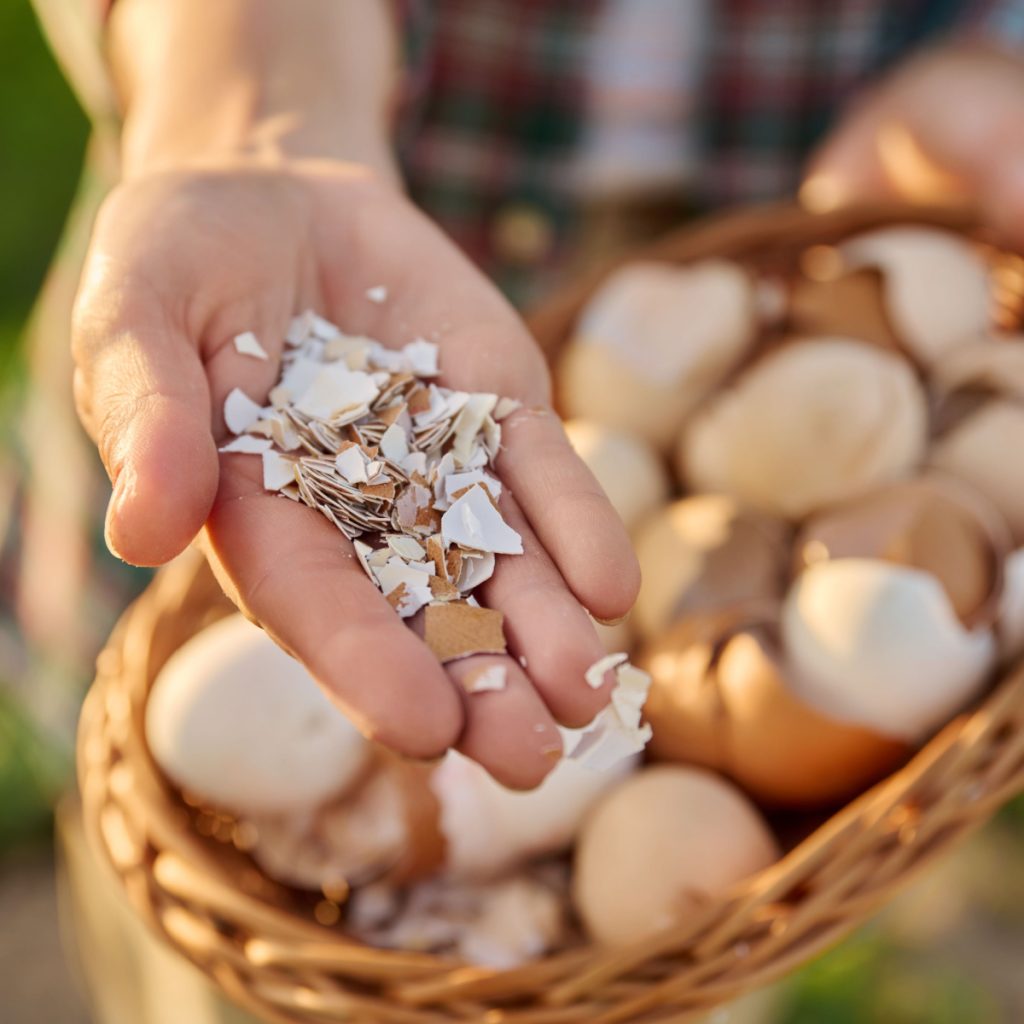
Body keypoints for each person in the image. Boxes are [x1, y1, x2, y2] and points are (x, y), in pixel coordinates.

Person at [20, 0, 1024, 789]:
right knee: (205, 847)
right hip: (316, 232)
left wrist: (996, 48)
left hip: (776, 252)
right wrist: (250, 102)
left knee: (681, 891)